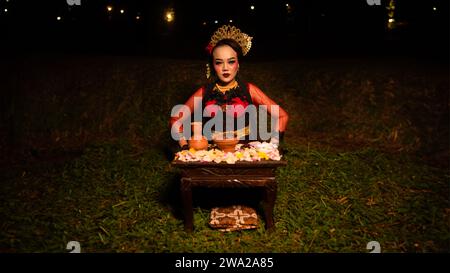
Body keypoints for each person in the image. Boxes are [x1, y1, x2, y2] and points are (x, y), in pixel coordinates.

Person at [170, 25, 288, 150]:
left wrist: (273, 146)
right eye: (219, 62)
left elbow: (282, 116)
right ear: (212, 66)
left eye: (231, 61)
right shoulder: (204, 92)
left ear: (238, 64)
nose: (225, 68)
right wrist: (184, 145)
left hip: (245, 152)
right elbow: (175, 119)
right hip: (212, 153)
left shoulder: (249, 90)